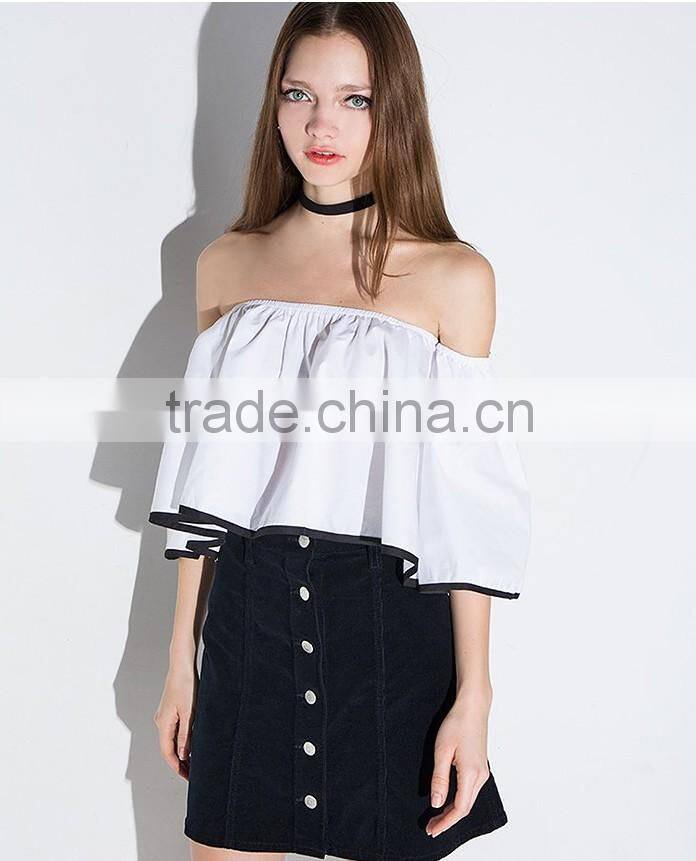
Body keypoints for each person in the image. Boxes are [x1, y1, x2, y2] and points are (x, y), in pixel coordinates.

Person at [150, 4, 531, 860]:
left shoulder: (454, 277)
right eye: (300, 94)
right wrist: (182, 659)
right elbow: (205, 483)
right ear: (274, 102)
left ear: (393, 108)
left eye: (354, 99)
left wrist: (474, 696)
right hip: (249, 629)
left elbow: (464, 506)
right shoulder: (227, 262)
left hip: (391, 633)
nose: (322, 126)